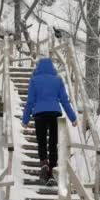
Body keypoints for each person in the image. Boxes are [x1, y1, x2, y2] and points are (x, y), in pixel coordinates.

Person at [22, 58, 78, 186]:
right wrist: (73, 118)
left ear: (38, 68)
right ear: (52, 67)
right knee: (53, 142)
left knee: (41, 141)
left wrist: (25, 120)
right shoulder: (58, 80)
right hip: (54, 113)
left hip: (39, 114)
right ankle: (53, 168)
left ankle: (44, 166)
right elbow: (65, 101)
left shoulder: (34, 80)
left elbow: (30, 102)